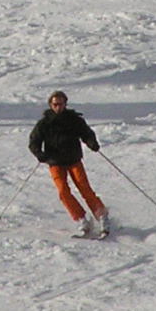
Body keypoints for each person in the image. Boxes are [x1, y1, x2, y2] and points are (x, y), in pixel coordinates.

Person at [28, 91, 109, 237]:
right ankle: (81, 219)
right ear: (50, 105)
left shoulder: (74, 120)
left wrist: (92, 143)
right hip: (55, 162)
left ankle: (102, 216)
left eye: (61, 104)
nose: (58, 107)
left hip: (73, 160)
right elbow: (34, 142)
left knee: (84, 188)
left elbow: (86, 133)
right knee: (63, 192)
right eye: (55, 104)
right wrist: (40, 154)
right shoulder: (44, 123)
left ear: (66, 104)